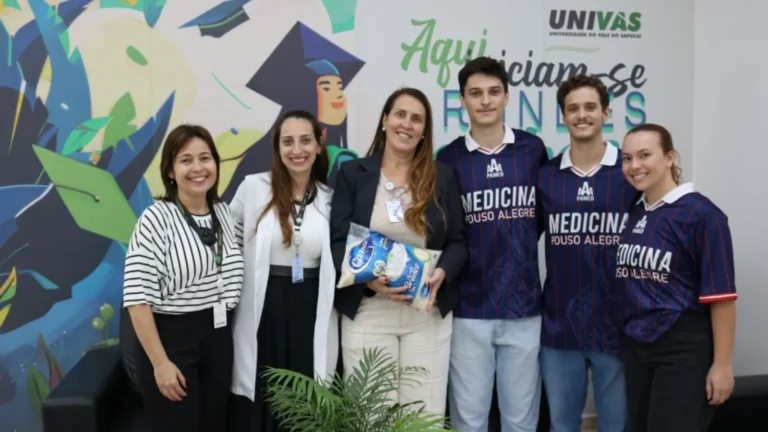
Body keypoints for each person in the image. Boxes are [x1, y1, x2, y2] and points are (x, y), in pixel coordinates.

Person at [330, 87, 467, 417]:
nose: (407, 124)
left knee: (423, 415)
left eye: (417, 119)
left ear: (424, 131)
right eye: (401, 115)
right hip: (369, 311)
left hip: (426, 314)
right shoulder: (353, 174)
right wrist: (367, 281)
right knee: (371, 416)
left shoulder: (442, 177)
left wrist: (442, 272)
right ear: (385, 120)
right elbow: (337, 241)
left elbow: (459, 242)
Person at [435, 56, 548, 432]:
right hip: (469, 309)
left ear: (506, 97)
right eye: (476, 93)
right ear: (462, 100)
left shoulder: (533, 150)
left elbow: (543, 219)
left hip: (525, 307)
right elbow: (449, 232)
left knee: (521, 419)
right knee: (469, 419)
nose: (485, 101)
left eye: (493, 92)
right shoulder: (448, 159)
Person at [122, 124, 245, 432]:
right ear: (171, 171)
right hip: (172, 340)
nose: (198, 168)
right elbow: (137, 299)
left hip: (218, 337)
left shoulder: (225, 214)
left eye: (205, 158)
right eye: (186, 160)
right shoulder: (156, 219)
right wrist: (160, 364)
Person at [617, 123, 737, 432]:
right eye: (627, 158)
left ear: (670, 157)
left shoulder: (702, 214)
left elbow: (721, 297)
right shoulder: (637, 211)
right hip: (636, 344)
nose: (634, 166)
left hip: (682, 346)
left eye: (645, 155)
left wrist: (722, 366)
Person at [536, 74, 637, 432]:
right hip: (560, 326)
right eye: (573, 108)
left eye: (590, 107)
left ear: (606, 113)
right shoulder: (546, 175)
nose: (582, 115)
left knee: (617, 425)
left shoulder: (630, 172)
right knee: (562, 425)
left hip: (618, 324)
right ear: (562, 117)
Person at [228, 110, 338, 432]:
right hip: (265, 312)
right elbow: (227, 239)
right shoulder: (253, 189)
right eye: (287, 142)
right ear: (277, 147)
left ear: (319, 145)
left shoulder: (330, 199)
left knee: (304, 400)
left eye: (305, 140)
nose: (297, 150)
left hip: (310, 312)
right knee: (264, 397)